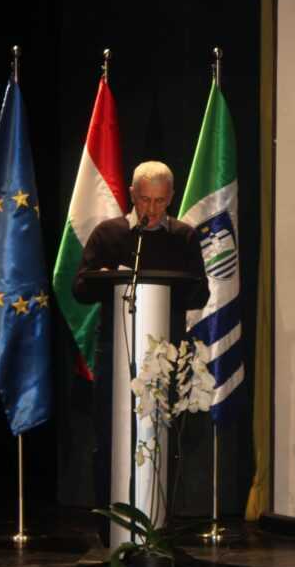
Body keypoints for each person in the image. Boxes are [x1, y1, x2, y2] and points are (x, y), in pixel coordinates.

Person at [73, 161, 209, 542]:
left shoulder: (183, 237)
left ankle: (160, 525)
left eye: (161, 201)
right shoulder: (110, 234)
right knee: (109, 437)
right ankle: (111, 531)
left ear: (171, 198)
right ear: (132, 195)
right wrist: (109, 280)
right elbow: (80, 289)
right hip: (115, 351)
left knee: (163, 436)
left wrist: (168, 288)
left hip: (167, 353)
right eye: (146, 200)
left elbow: (200, 292)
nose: (152, 209)